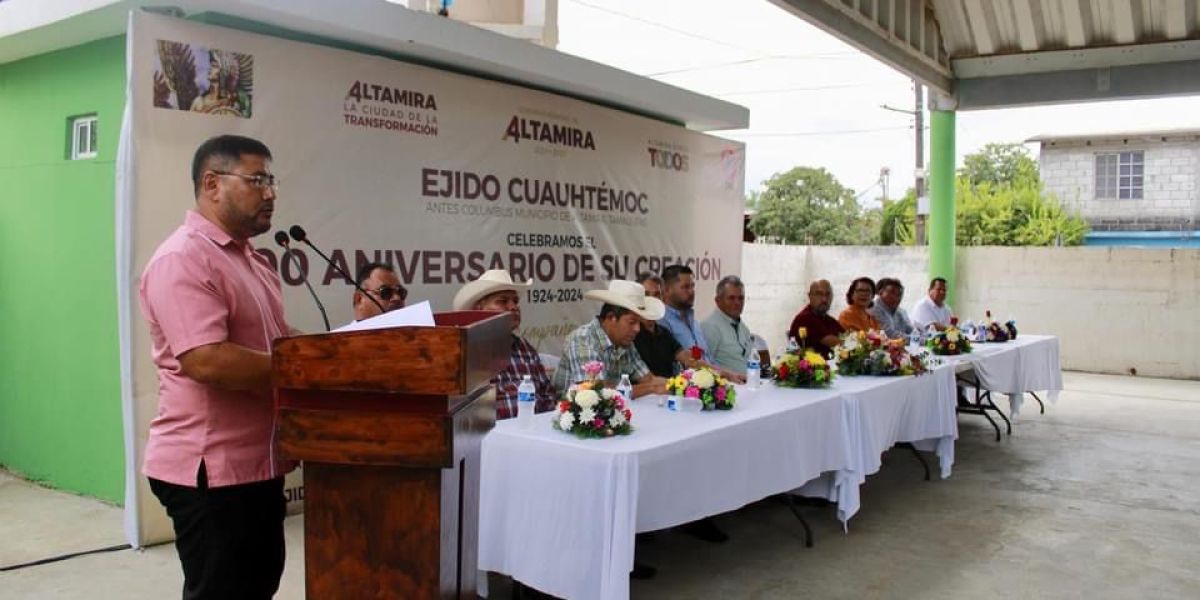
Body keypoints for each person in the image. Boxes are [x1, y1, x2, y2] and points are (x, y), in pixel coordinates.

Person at [138, 134, 292, 599]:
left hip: (258, 464)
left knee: (258, 584)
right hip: (209, 471)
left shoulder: (253, 261)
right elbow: (207, 360)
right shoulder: (183, 258)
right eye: (257, 179)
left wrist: (341, 351)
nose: (270, 193)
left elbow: (278, 345)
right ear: (212, 183)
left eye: (272, 180)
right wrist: (311, 368)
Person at [453, 269, 557, 420]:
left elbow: (547, 396)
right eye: (503, 301)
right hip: (486, 438)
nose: (513, 307)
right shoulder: (465, 350)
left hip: (532, 433)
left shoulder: (525, 349)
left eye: (515, 301)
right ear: (479, 309)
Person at [553, 280, 668, 399]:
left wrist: (678, 383)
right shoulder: (583, 339)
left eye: (639, 322)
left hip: (610, 412)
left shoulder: (625, 342)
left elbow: (648, 379)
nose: (637, 329)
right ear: (611, 317)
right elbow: (597, 391)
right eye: (632, 322)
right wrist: (651, 388)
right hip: (572, 413)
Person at [658, 265, 746, 383]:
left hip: (714, 385)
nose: (691, 291)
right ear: (667, 291)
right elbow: (683, 366)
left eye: (692, 286)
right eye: (685, 287)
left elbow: (709, 360)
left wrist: (731, 376)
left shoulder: (694, 322)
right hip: (686, 391)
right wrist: (727, 375)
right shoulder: (662, 322)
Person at [700, 275, 755, 374]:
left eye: (740, 298)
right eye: (731, 298)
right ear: (718, 301)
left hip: (749, 384)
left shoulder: (743, 328)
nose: (737, 302)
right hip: (729, 387)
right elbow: (703, 367)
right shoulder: (710, 327)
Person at [786, 279, 844, 357]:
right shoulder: (805, 318)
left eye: (828, 294)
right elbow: (835, 343)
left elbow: (846, 336)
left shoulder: (829, 320)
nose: (824, 299)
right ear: (810, 296)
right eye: (819, 294)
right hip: (812, 367)